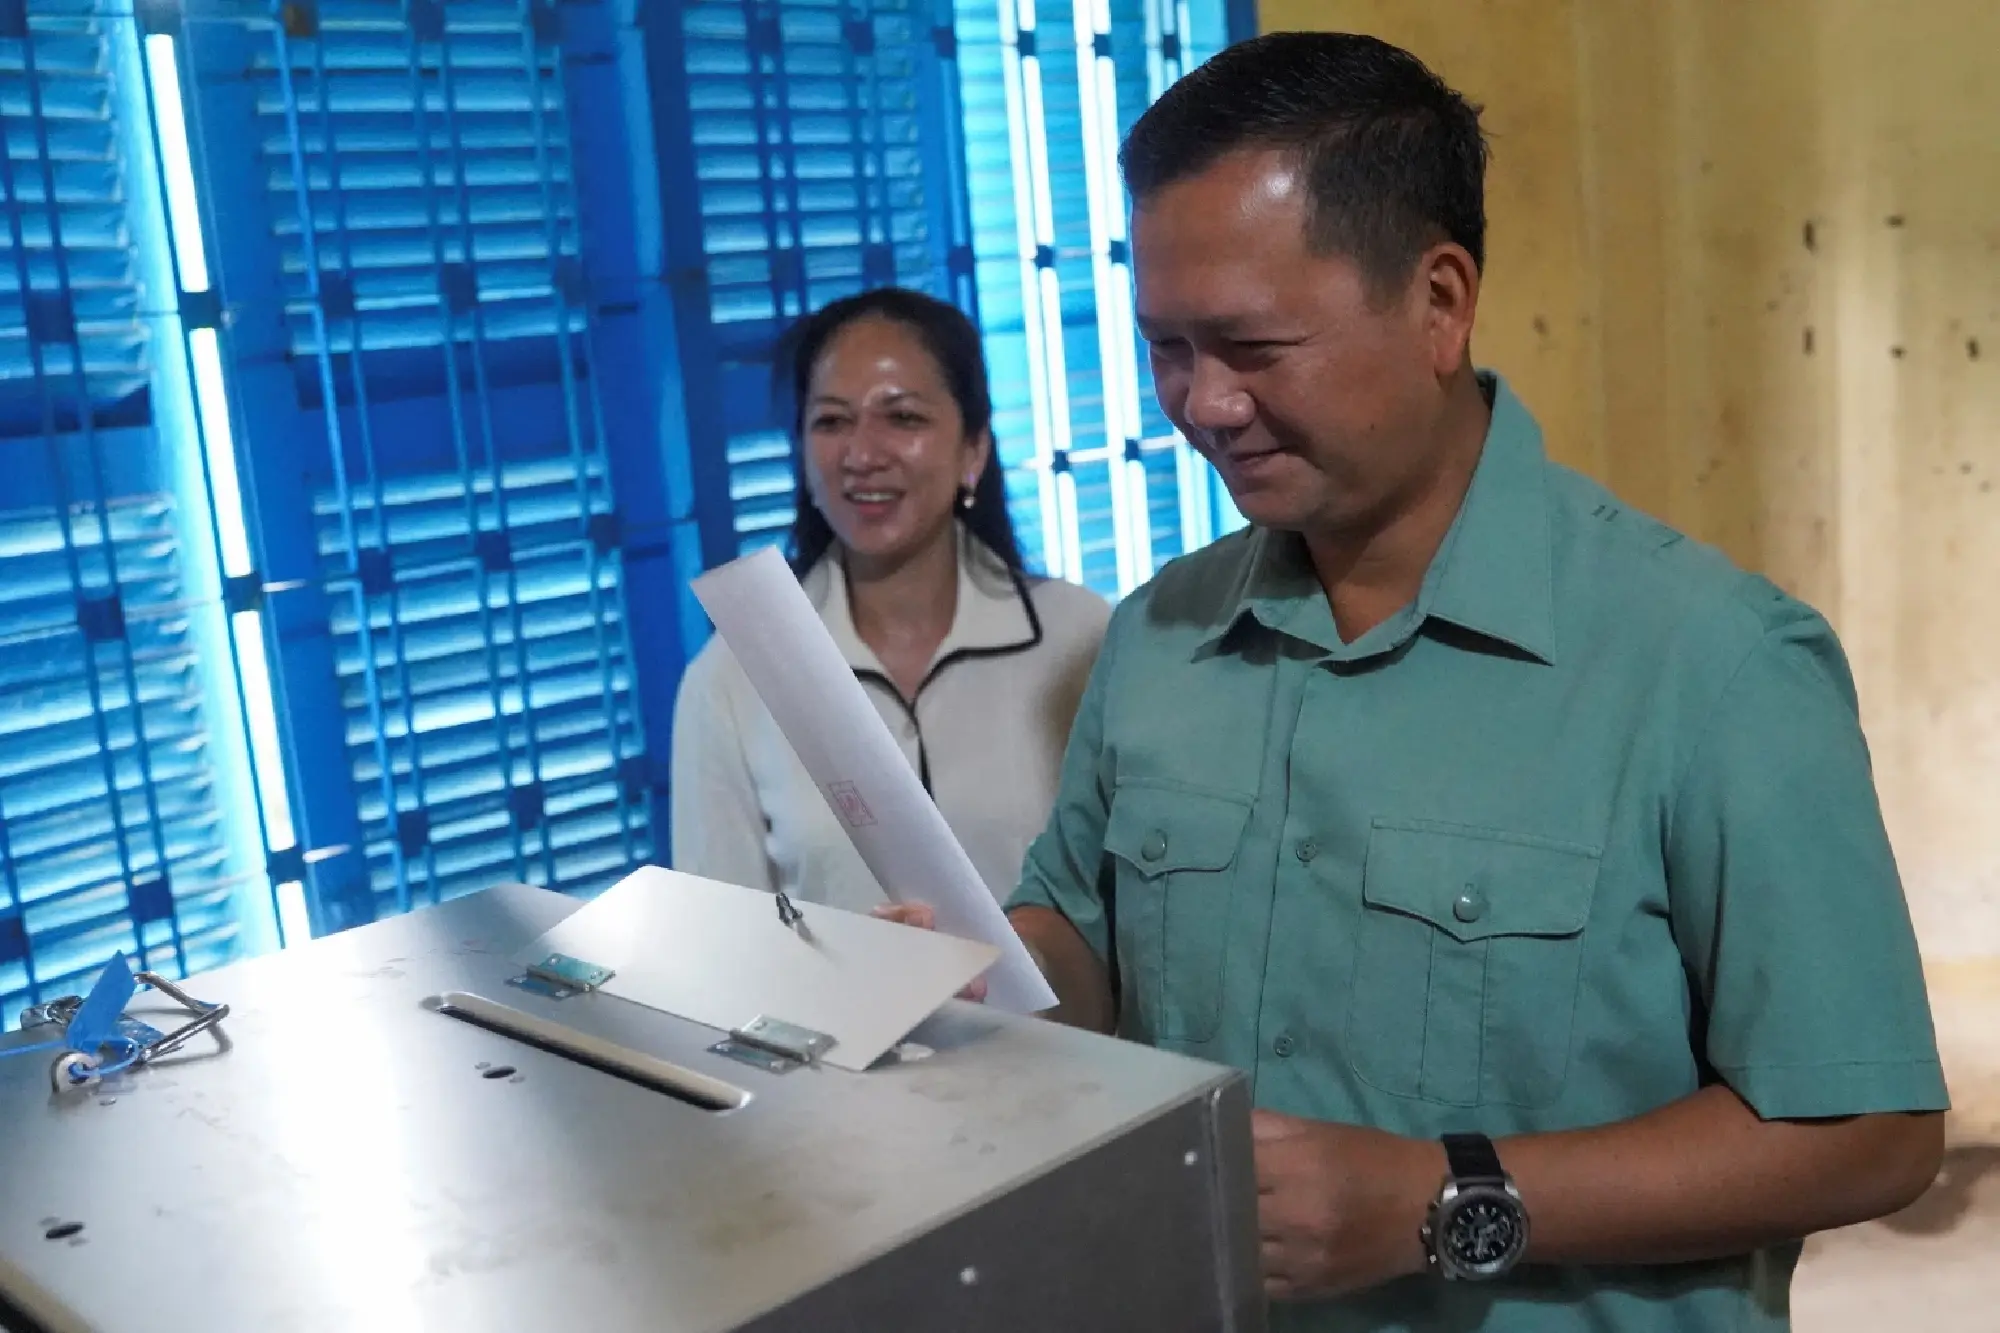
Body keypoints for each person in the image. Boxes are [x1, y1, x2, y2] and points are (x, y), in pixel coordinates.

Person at [884, 31, 1947, 1333]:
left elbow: (1869, 1129)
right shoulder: (1163, 638)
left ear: (1439, 303)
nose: (1203, 403)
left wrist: (1441, 1199)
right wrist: (990, 976)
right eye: (1167, 346)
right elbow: (1091, 943)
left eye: (1255, 344)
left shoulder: (1709, 666)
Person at [670, 287, 1111, 914]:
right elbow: (720, 943)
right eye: (831, 421)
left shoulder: (1082, 637)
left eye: (902, 418)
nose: (862, 455)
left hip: (1056, 1016)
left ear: (973, 451)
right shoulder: (733, 676)